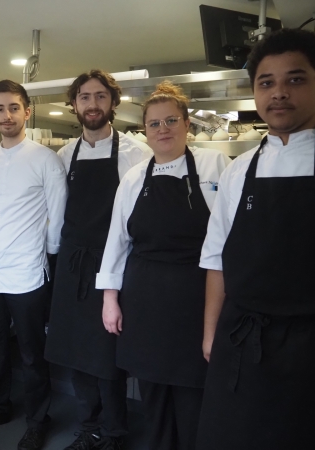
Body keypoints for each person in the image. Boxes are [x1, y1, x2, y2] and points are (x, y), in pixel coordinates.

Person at [196, 28, 315, 450]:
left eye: (295, 79)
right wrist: (211, 334)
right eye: (267, 82)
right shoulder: (239, 170)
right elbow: (216, 259)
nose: (279, 93)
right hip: (242, 341)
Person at [97, 82, 230, 450]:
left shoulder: (214, 165)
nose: (163, 129)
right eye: (154, 123)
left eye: (171, 120)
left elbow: (229, 239)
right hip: (144, 300)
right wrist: (110, 297)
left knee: (194, 397)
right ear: (145, 131)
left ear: (187, 124)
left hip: (197, 299)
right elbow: (117, 241)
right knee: (152, 395)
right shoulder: (134, 177)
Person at [44, 70, 152, 450]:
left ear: (113, 102)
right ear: (74, 105)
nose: (93, 104)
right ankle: (89, 426)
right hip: (72, 266)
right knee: (76, 354)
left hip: (113, 265)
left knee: (107, 357)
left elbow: (137, 219)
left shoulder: (136, 154)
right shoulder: (64, 154)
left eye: (100, 96)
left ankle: (113, 432)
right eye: (85, 97)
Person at [0, 80, 67, 450]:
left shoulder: (45, 159)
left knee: (31, 354)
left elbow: (58, 220)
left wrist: (47, 266)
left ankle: (38, 419)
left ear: (27, 111)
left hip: (27, 275)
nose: (6, 115)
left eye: (13, 108)